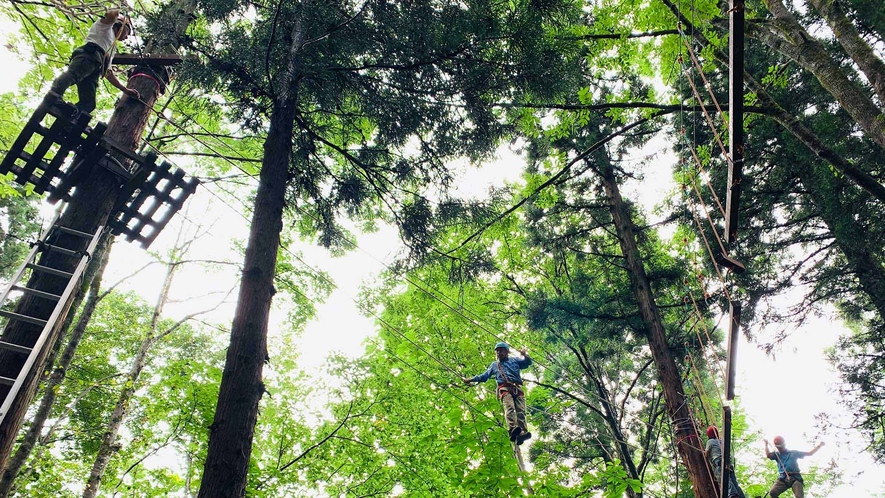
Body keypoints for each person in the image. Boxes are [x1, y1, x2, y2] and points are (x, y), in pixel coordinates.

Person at [50, 9, 139, 115]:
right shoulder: (105, 27)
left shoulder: (111, 48)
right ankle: (54, 95)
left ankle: (72, 115)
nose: (127, 37)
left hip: (97, 67)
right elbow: (110, 15)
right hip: (89, 56)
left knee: (89, 103)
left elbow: (108, 73)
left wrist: (125, 90)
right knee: (72, 76)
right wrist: (119, 9)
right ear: (120, 25)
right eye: (127, 32)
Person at [463, 342, 532, 444]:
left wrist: (525, 355)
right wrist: (471, 379)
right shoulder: (495, 365)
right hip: (504, 388)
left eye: (501, 350)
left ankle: (522, 433)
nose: (499, 353)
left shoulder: (515, 360)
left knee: (521, 411)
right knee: (510, 408)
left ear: (507, 351)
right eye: (497, 351)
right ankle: (513, 429)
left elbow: (527, 363)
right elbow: (484, 376)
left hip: (517, 388)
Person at [704, 426, 745, 498]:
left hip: (720, 463)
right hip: (729, 463)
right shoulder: (722, 441)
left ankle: (733, 495)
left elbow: (706, 454)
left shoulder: (709, 442)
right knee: (734, 482)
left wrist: (705, 453)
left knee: (726, 481)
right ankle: (741, 496)